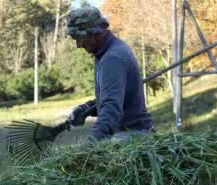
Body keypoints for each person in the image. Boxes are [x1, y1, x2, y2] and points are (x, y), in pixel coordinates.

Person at [65, 7, 154, 141]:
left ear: (93, 33)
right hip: (130, 131)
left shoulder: (113, 58)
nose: (78, 45)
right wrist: (87, 109)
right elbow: (114, 95)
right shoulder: (106, 52)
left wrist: (90, 145)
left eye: (79, 38)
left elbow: (111, 107)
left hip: (131, 135)